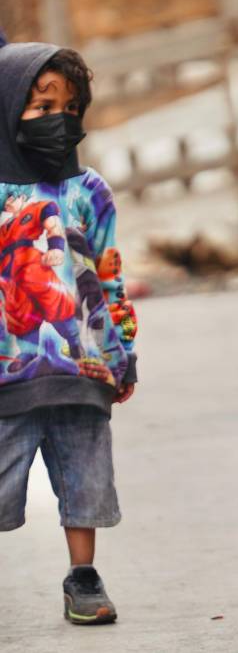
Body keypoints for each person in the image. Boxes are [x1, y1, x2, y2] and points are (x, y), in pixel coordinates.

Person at [0, 42, 138, 626]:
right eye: (39, 104)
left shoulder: (88, 190)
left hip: (82, 372)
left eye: (68, 105)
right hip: (7, 377)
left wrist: (122, 352)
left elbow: (108, 274)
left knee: (84, 482)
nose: (57, 118)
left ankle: (83, 577)